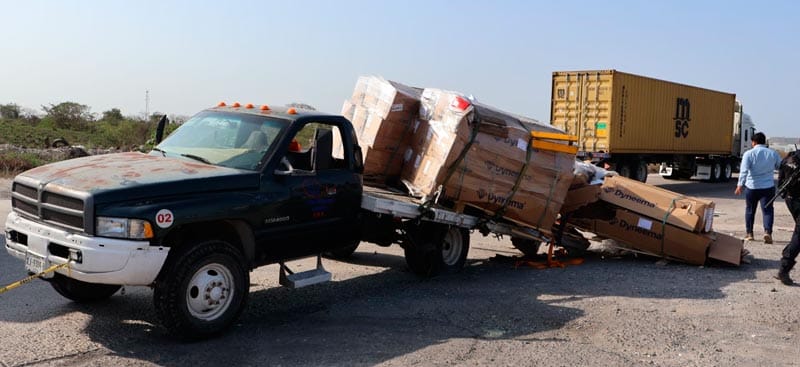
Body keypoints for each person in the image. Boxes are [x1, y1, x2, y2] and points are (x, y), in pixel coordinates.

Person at [734, 132, 781, 243]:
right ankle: (767, 232)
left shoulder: (748, 154)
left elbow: (744, 170)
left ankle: (750, 233)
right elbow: (781, 166)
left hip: (752, 187)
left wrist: (740, 185)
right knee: (768, 211)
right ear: (764, 142)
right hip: (768, 187)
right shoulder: (773, 153)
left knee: (750, 210)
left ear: (753, 142)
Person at [776, 149, 800, 285]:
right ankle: (784, 268)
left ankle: (787, 255)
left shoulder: (789, 157)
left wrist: (786, 196)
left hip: (790, 199)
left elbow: (780, 182)